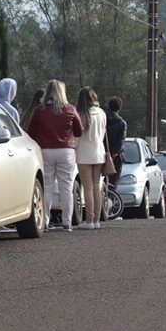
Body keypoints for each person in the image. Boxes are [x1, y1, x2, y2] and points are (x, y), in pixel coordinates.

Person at [27, 80, 83, 231]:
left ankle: (44, 221)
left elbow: (30, 132)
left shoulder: (39, 111)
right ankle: (67, 223)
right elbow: (79, 131)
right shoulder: (70, 109)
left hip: (45, 150)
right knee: (66, 188)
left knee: (47, 187)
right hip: (66, 151)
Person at [75, 86, 107, 230]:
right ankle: (96, 220)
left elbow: (76, 136)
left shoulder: (80, 114)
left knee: (87, 187)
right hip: (99, 153)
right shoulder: (101, 113)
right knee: (96, 187)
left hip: (83, 154)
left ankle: (88, 220)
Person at [106, 96, 127, 186]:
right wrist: (114, 154)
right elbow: (120, 141)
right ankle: (111, 198)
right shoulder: (122, 123)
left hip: (102, 153)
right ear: (119, 108)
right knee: (113, 182)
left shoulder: (102, 119)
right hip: (116, 157)